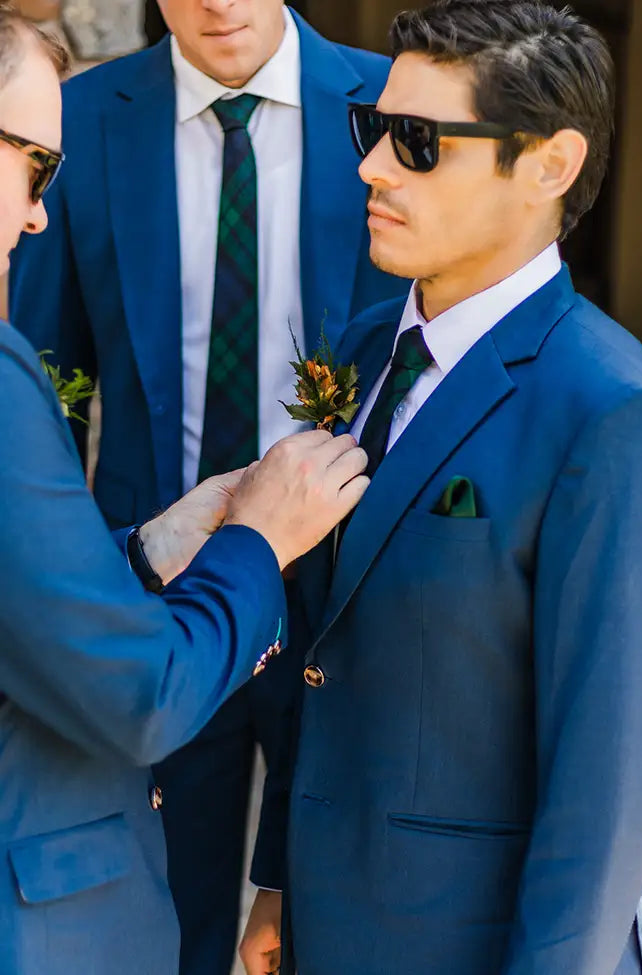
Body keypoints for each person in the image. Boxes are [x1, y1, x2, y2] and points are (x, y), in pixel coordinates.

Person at [240, 2, 642, 974]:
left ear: (546, 167)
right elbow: (324, 648)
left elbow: (605, 785)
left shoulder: (604, 408)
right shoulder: (362, 348)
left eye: (416, 142)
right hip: (323, 919)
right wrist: (279, 880)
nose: (372, 168)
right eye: (370, 130)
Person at [8, 2, 410, 970]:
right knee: (156, 911)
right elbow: (44, 367)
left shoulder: (396, 108)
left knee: (332, 924)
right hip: (141, 615)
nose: (218, 2)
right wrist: (99, 570)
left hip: (341, 592)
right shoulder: (78, 114)